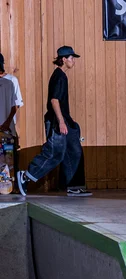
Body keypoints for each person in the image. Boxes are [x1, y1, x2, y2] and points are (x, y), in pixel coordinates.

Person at [16, 46, 91, 197]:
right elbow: (54, 100)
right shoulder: (59, 76)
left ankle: (74, 186)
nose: (74, 61)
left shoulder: (62, 76)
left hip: (65, 120)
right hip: (57, 122)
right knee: (55, 153)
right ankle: (26, 175)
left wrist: (67, 121)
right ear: (64, 59)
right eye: (71, 58)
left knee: (74, 150)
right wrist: (61, 122)